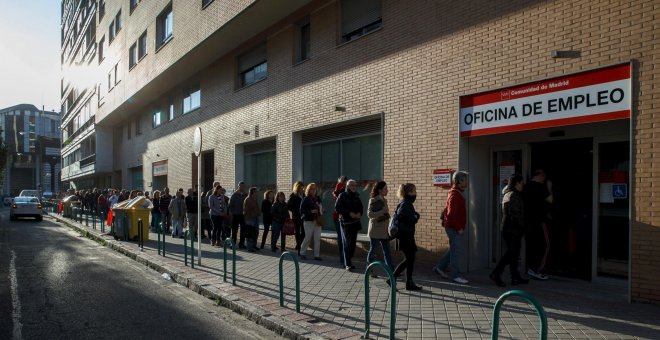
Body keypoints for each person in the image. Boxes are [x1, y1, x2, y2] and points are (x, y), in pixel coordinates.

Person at [490, 174, 530, 287]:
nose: (522, 185)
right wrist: (523, 226)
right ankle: (496, 273)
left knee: (514, 254)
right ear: (516, 183)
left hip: (509, 229)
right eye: (521, 183)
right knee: (511, 254)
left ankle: (515, 277)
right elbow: (515, 215)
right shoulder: (513, 195)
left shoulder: (508, 193)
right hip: (512, 230)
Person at [434, 171, 470, 284]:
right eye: (465, 180)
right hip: (454, 227)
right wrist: (459, 228)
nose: (467, 182)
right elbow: (450, 215)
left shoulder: (457, 193)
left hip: (453, 226)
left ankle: (439, 267)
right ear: (459, 181)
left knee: (453, 249)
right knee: (456, 251)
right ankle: (455, 276)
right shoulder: (455, 194)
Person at [390, 183, 422, 291]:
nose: (415, 193)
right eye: (414, 191)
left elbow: (408, 216)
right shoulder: (405, 203)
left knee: (410, 259)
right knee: (409, 259)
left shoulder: (406, 203)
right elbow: (404, 218)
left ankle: (409, 282)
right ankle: (392, 278)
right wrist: (415, 217)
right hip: (405, 236)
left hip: (407, 235)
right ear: (408, 192)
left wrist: (414, 216)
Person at [524, 169, 553, 280]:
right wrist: (549, 187)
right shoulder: (541, 187)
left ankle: (531, 268)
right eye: (544, 177)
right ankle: (537, 269)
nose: (544, 179)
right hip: (539, 221)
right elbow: (550, 200)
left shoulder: (525, 187)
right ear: (541, 176)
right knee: (546, 244)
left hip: (528, 221)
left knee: (532, 245)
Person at [335, 179, 364, 271]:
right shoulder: (342, 195)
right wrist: (349, 213)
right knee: (347, 243)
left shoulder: (356, 196)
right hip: (345, 222)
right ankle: (347, 263)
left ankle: (349, 261)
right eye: (351, 185)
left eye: (355, 185)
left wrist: (359, 213)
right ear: (347, 186)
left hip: (354, 223)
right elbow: (337, 208)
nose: (354, 187)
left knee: (352, 244)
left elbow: (361, 207)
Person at [367, 181, 394, 271]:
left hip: (384, 231)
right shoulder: (373, 199)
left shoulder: (384, 200)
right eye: (385, 189)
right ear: (379, 190)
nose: (387, 190)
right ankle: (369, 269)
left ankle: (391, 271)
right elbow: (370, 214)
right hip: (375, 230)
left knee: (387, 252)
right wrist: (382, 211)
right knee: (373, 250)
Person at [299, 183, 323, 260]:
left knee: (317, 238)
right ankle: (302, 252)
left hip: (318, 220)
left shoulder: (318, 198)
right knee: (308, 237)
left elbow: (320, 207)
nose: (314, 190)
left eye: (315, 189)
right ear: (308, 190)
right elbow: (301, 210)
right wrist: (311, 211)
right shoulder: (306, 199)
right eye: (312, 189)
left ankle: (316, 255)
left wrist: (322, 210)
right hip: (309, 220)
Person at [332, 176, 347, 266]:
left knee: (344, 239)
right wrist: (339, 183)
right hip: (338, 218)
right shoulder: (338, 191)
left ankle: (345, 258)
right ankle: (343, 259)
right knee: (341, 239)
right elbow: (337, 195)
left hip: (345, 218)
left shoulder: (346, 191)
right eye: (343, 182)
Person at [287, 181, 305, 254]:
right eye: (300, 187)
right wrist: (296, 210)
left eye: (302, 187)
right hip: (296, 216)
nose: (302, 189)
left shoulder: (304, 195)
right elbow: (288, 206)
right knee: (297, 231)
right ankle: (299, 248)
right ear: (297, 187)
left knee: (304, 232)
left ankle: (299, 244)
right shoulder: (293, 195)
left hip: (303, 216)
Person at [228, 182, 247, 248]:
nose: (242, 187)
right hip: (235, 215)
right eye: (240, 186)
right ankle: (232, 244)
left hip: (243, 215)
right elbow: (230, 205)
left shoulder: (246, 195)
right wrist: (231, 213)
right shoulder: (234, 195)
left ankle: (241, 244)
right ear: (238, 186)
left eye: (243, 186)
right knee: (234, 230)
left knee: (243, 230)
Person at [243, 187, 260, 252]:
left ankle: (254, 245)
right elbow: (245, 210)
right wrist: (251, 214)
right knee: (250, 233)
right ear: (252, 192)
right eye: (255, 192)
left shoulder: (255, 198)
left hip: (255, 217)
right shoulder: (247, 199)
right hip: (250, 218)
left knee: (256, 232)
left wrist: (258, 212)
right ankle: (250, 247)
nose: (257, 193)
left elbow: (257, 207)